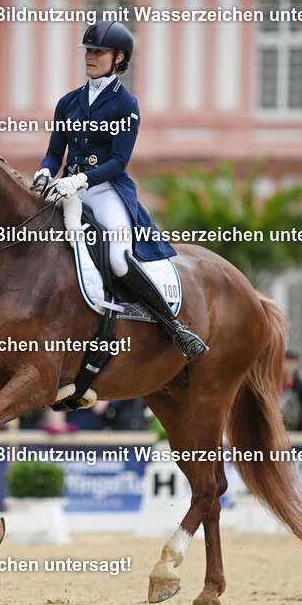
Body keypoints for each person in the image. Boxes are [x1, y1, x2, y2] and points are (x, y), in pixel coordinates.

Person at [31, 20, 207, 363]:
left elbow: (118, 162)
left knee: (117, 258)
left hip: (105, 189)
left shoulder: (126, 105)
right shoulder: (68, 103)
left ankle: (174, 326)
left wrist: (81, 181)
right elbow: (55, 152)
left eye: (98, 52)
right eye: (88, 51)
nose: (90, 57)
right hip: (66, 188)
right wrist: (45, 171)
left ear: (119, 58)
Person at [280, 350, 302, 431]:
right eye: (287, 363)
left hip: (296, 429)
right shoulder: (275, 384)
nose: (289, 367)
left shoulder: (300, 386)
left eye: (293, 363)